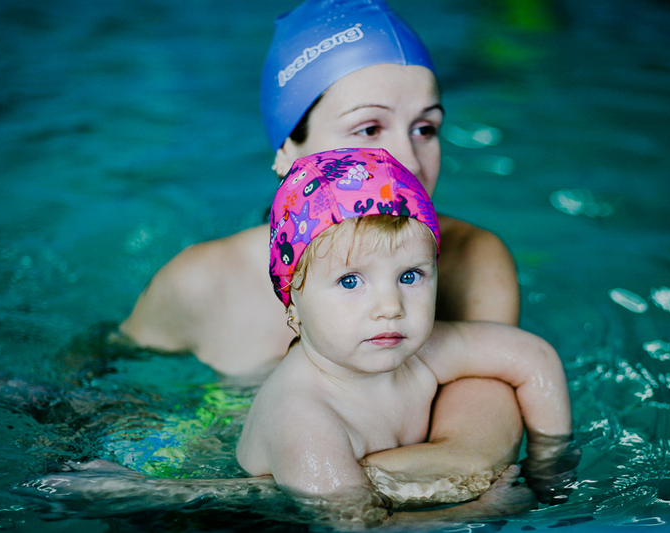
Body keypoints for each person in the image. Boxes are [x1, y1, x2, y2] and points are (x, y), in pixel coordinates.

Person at [112, 0, 555, 503]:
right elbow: (98, 401)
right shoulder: (199, 280)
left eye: (425, 129)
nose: (408, 161)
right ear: (288, 150)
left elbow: (474, 461)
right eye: (368, 129)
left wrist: (173, 494)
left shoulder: (472, 257)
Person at [236, 148, 572, 527]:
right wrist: (480, 511)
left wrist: (551, 468)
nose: (390, 307)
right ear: (293, 303)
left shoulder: (420, 349)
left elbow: (534, 357)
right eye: (350, 281)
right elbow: (358, 526)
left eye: (410, 276)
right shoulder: (302, 420)